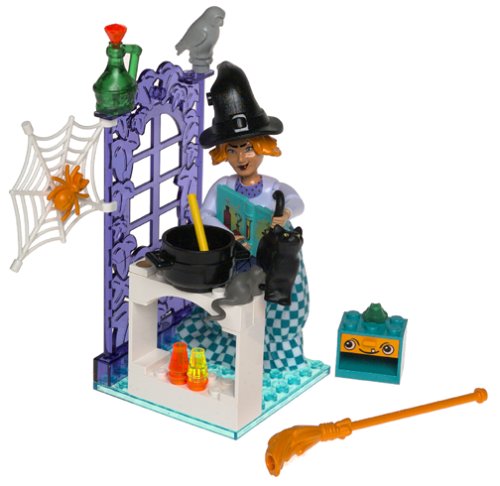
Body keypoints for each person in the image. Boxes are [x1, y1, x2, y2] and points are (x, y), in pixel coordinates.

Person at [175, 61, 309, 371]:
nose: (241, 158)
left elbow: (296, 199)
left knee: (278, 306)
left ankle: (275, 353)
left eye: (247, 148)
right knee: (234, 304)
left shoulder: (272, 187)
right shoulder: (223, 186)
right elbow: (204, 214)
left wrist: (287, 212)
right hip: (238, 258)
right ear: (224, 153)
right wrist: (227, 232)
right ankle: (233, 350)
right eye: (232, 150)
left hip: (273, 259)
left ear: (262, 148)